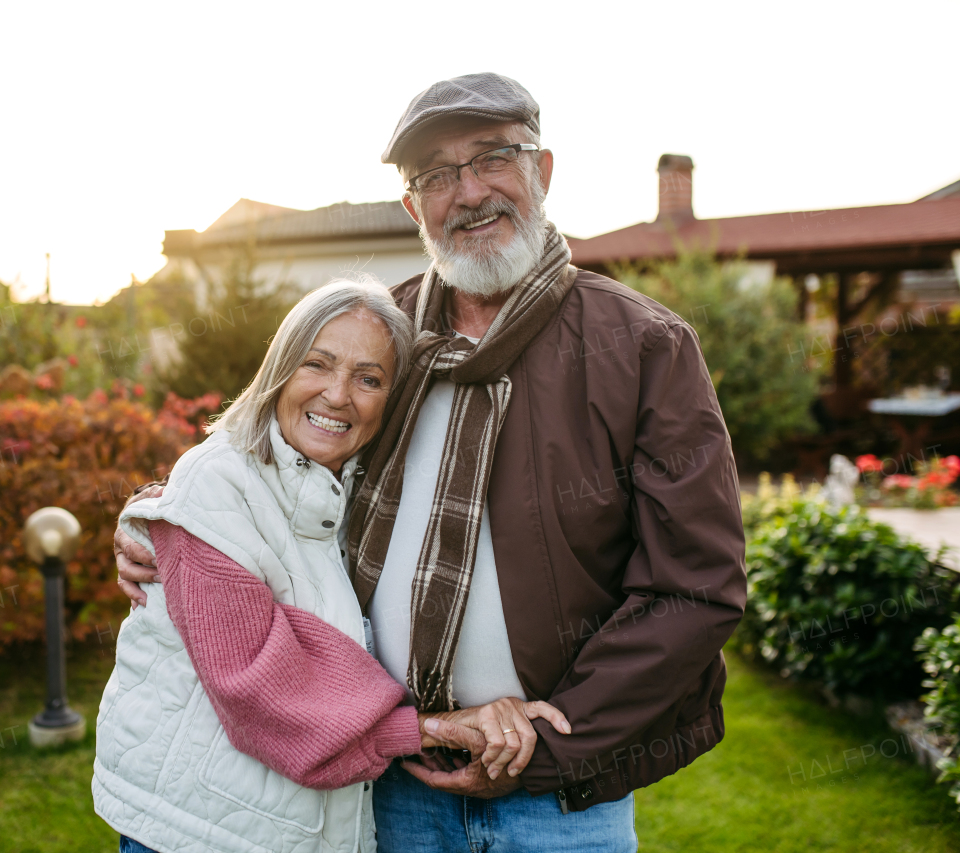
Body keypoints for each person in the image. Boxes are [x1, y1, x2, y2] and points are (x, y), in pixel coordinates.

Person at [115, 73, 748, 853]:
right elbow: (274, 458)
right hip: (389, 785)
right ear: (414, 207)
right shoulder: (379, 336)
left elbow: (694, 586)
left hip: (558, 802)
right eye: (437, 175)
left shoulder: (644, 346)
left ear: (542, 172)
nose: (470, 191)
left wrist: (551, 744)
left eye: (492, 158)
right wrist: (169, 520)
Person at [92, 278, 574, 853]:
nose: (338, 395)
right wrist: (428, 729)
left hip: (287, 825)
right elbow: (261, 690)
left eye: (368, 378)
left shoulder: (352, 490)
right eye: (316, 364)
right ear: (280, 369)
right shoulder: (217, 483)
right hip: (201, 831)